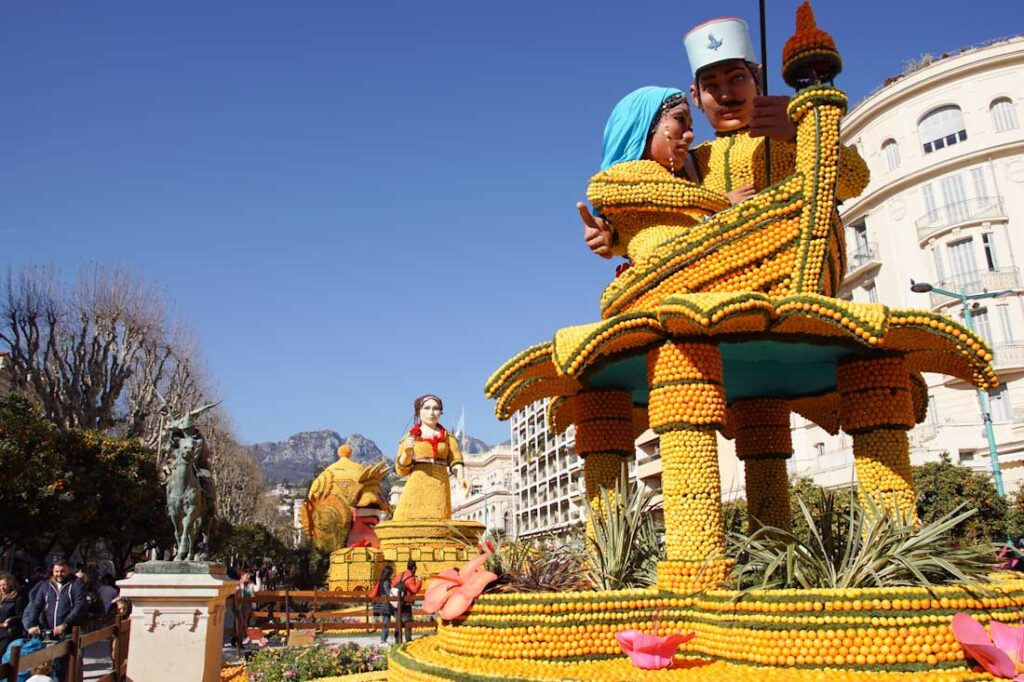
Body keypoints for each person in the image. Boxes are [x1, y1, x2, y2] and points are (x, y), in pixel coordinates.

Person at [581, 16, 868, 260]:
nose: (726, 94)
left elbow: (852, 181)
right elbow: (660, 225)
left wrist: (800, 131)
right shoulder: (685, 162)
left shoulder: (791, 137)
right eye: (711, 86)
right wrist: (614, 235)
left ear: (758, 77)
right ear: (696, 96)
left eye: (736, 79)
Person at [583, 86, 729, 266]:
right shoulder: (624, 177)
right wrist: (724, 206)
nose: (690, 135)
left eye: (690, 126)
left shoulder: (695, 168)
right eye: (679, 119)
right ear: (645, 124)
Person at [393, 395, 465, 521]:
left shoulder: (448, 437)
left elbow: (456, 460)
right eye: (427, 408)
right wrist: (407, 454)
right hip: (416, 487)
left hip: (440, 486)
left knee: (439, 522)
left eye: (436, 408)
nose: (431, 412)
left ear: (441, 412)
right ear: (418, 412)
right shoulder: (409, 437)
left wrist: (461, 477)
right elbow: (401, 470)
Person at [22, 558, 86, 682]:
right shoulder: (46, 585)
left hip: (67, 632)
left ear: (69, 570)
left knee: (64, 666)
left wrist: (65, 624)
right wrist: (31, 624)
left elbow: (79, 606)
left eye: (63, 571)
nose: (59, 574)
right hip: (47, 631)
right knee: (46, 665)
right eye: (56, 571)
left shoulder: (76, 584)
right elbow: (37, 605)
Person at [0, 572, 27, 660]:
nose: (2, 588)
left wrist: (10, 620)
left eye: (5, 585)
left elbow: (21, 615)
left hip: (8, 633)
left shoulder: (18, 599)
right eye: (0, 585)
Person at [393, 560, 422, 643]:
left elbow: (393, 585)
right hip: (406, 603)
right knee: (407, 622)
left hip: (396, 603)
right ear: (413, 568)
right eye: (415, 568)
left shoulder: (400, 575)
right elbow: (414, 589)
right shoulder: (410, 578)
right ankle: (408, 640)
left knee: (398, 622)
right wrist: (419, 581)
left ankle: (397, 641)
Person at [372, 565, 395, 644]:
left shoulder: (381, 581)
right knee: (386, 622)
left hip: (381, 603)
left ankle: (384, 639)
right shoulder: (385, 582)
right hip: (385, 604)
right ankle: (383, 640)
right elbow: (388, 593)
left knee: (386, 621)